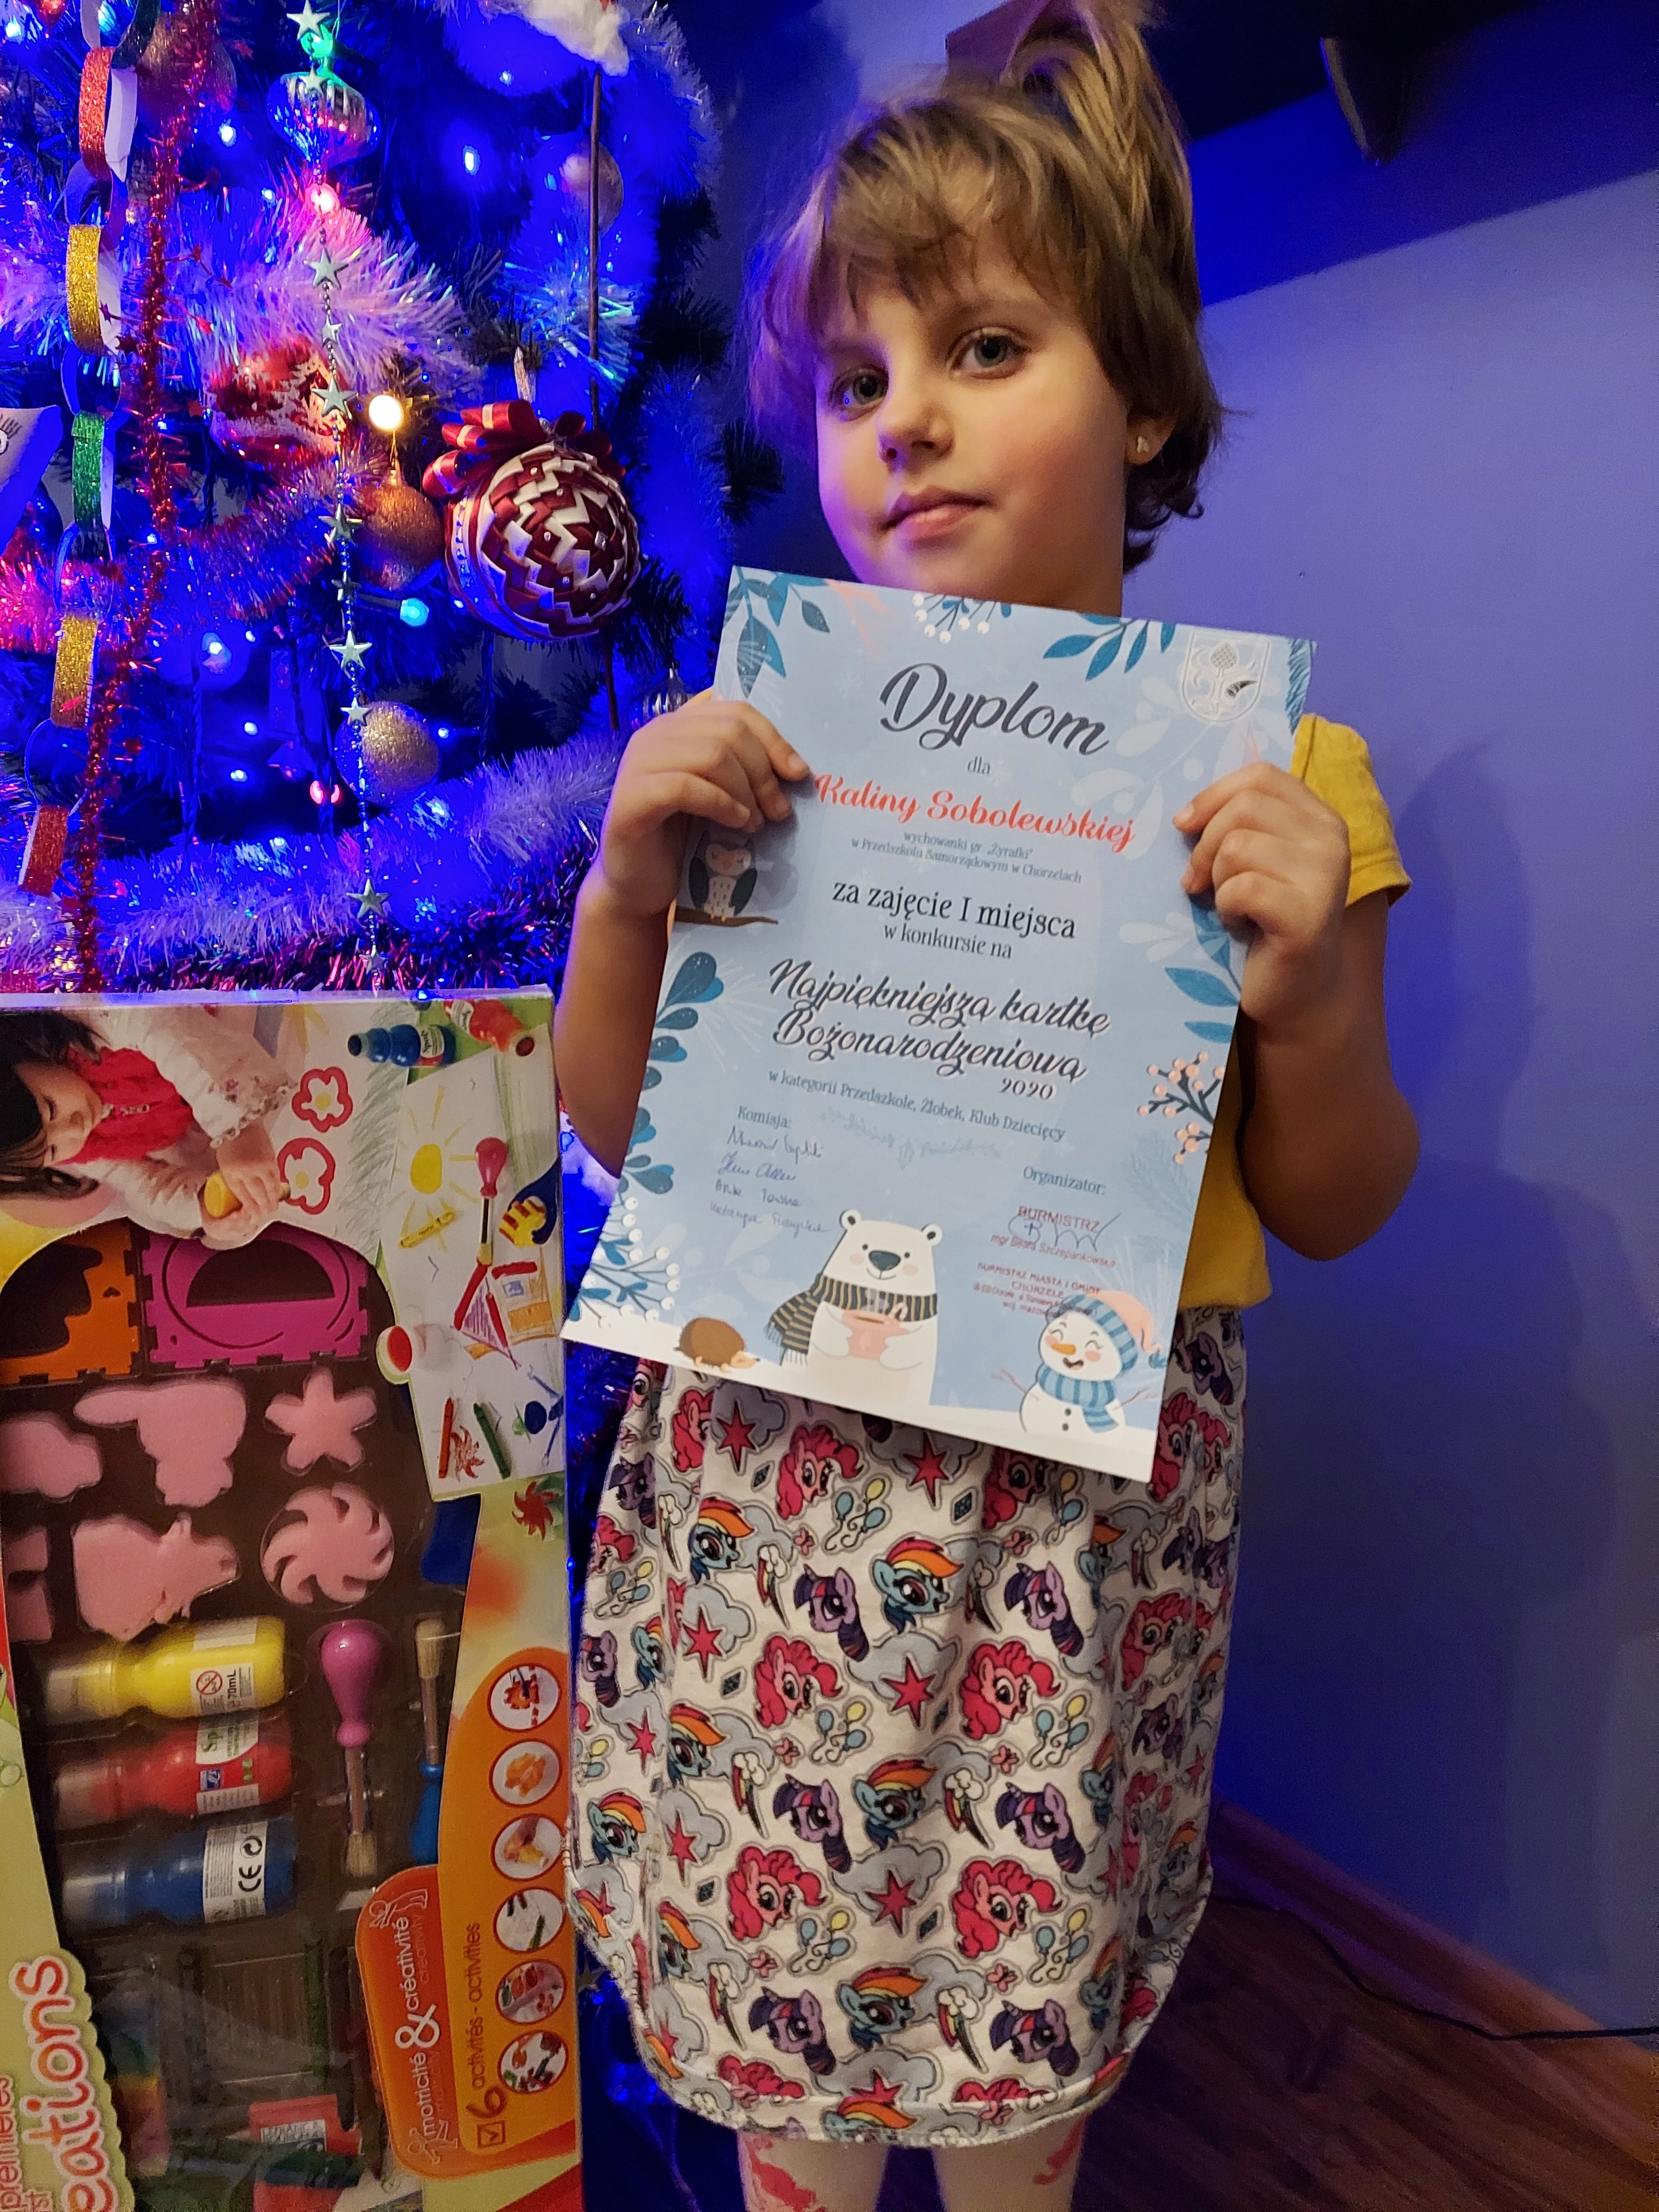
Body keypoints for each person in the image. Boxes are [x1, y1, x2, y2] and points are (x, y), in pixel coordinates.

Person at [555, 3, 1418, 2205]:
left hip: (1068, 1531)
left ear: (1145, 398)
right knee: (785, 2023)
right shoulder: (757, 759)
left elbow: (1334, 1194)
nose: (903, 426)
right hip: (775, 1480)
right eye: (856, 384)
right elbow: (627, 1133)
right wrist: (626, 894)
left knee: (1015, 2021)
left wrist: (1306, 998)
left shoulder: (1274, 788)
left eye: (984, 351)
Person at [0, 1003, 288, 1245]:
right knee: (212, 1226)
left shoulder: (86, 1026)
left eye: (51, 1108)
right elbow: (142, 1186)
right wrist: (201, 1206)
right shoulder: (83, 1151)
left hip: (202, 1027)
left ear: (27, 1052)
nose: (74, 1128)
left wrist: (238, 1130)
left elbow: (165, 1029)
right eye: (53, 1150)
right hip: (184, 1117)